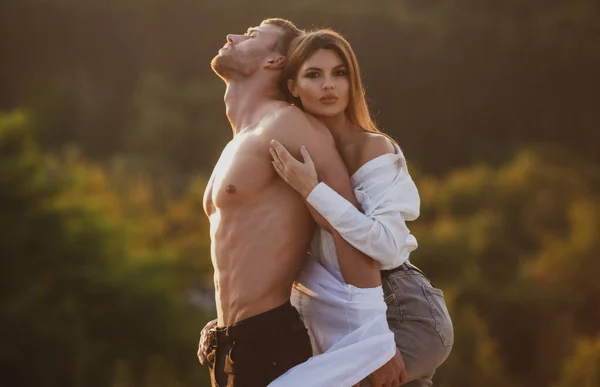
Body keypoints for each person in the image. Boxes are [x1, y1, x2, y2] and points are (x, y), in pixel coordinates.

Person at [198, 19, 402, 387]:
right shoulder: (238, 141)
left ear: (275, 61)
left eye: (250, 36)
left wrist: (372, 345)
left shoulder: (289, 125)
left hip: (267, 339)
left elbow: (346, 225)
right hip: (228, 344)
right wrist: (220, 326)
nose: (231, 37)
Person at [268, 29, 454, 386]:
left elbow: (385, 245)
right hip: (340, 319)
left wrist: (313, 191)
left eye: (340, 74)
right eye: (314, 74)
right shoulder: (291, 155)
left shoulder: (372, 149)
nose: (328, 86)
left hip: (403, 310)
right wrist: (234, 319)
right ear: (292, 86)